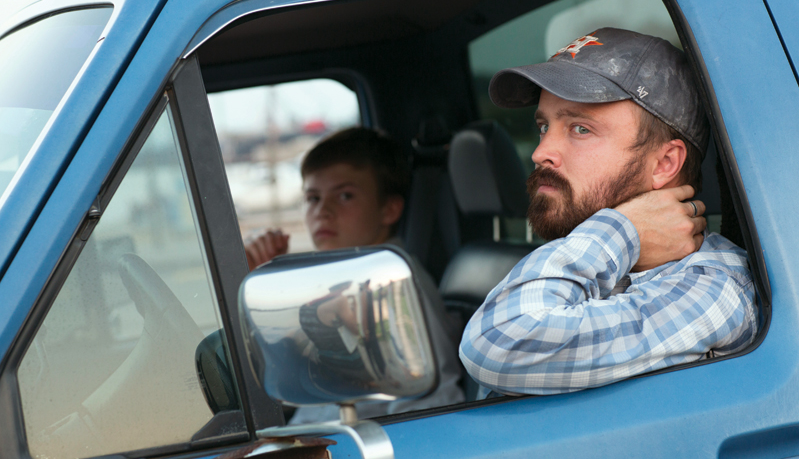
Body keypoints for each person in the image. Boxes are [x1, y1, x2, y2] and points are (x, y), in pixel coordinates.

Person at [459, 27, 757, 396]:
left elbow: (500, 341)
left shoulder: (714, 288)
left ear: (665, 163)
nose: (540, 153)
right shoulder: (582, 265)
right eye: (543, 126)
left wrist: (624, 229)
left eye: (581, 128)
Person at [245, 127, 464, 420]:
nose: (323, 211)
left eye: (345, 195)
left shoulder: (390, 284)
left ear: (389, 210)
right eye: (312, 198)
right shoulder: (346, 278)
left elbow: (430, 406)